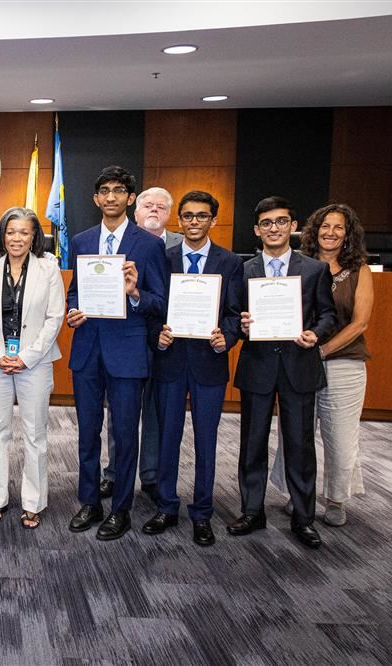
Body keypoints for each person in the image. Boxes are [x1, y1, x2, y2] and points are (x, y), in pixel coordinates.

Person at [66, 165, 168, 541]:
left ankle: (121, 509)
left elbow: (160, 302)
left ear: (130, 198)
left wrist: (136, 292)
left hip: (127, 352)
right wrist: (73, 309)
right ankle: (90, 501)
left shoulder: (149, 244)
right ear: (96, 199)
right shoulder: (81, 240)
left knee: (125, 434)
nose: (110, 197)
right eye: (104, 191)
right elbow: (75, 290)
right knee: (87, 433)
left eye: (118, 191)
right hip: (88, 350)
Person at [229, 196, 336, 548]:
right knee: (252, 443)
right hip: (258, 365)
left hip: (299, 366)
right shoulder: (242, 270)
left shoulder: (315, 269)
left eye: (281, 221)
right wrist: (241, 324)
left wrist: (315, 334)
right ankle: (251, 510)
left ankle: (303, 518)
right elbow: (233, 314)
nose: (274, 228)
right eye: (266, 223)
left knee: (300, 445)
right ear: (257, 230)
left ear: (293, 226)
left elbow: (328, 316)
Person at [141, 191, 242, 546]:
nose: (194, 222)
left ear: (213, 220)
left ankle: (202, 513)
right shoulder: (162, 259)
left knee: (206, 442)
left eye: (201, 216)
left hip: (209, 364)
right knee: (167, 437)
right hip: (170, 361)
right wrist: (159, 336)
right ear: (179, 220)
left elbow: (234, 314)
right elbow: (152, 310)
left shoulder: (230, 263)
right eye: (188, 216)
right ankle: (167, 506)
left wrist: (226, 338)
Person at [269, 203, 373, 527]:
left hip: (342, 364)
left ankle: (336, 499)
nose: (330, 232)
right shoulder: (300, 267)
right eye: (325, 226)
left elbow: (360, 324)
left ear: (348, 235)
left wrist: (323, 350)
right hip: (298, 361)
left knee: (340, 437)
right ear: (314, 231)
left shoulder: (359, 271)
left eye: (338, 227)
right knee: (295, 434)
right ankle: (298, 494)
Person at [0, 208, 65, 529]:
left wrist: (27, 356)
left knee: (35, 434)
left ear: (34, 237)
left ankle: (33, 503)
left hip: (34, 364)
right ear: (2, 235)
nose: (17, 238)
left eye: (24, 232)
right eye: (11, 232)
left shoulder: (48, 270)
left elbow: (55, 318)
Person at [101, 186, 182, 501]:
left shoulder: (180, 246)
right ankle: (114, 473)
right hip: (126, 339)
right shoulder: (118, 242)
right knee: (119, 412)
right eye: (148, 205)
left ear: (169, 214)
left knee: (155, 412)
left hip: (168, 340)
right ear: (135, 211)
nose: (154, 210)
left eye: (162, 207)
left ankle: (150, 474)